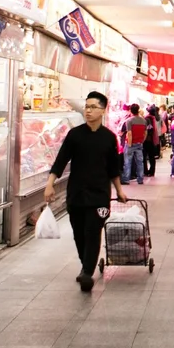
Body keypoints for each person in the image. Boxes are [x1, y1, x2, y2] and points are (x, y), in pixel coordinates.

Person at [46, 91, 128, 292]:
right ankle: (86, 265)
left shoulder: (109, 138)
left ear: (102, 110)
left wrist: (119, 190)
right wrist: (50, 184)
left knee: (93, 232)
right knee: (79, 234)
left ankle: (87, 273)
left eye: (93, 107)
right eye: (87, 106)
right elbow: (61, 160)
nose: (88, 110)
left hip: (100, 195)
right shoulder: (75, 135)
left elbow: (113, 169)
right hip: (76, 194)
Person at [121, 104, 148, 185]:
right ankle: (140, 179)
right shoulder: (143, 120)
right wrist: (142, 141)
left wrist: (129, 144)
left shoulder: (129, 121)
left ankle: (126, 179)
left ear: (130, 110)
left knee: (127, 162)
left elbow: (129, 133)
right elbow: (145, 132)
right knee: (140, 162)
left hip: (131, 144)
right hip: (139, 143)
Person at [144, 105, 162, 177]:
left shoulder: (147, 118)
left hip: (147, 140)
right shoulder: (157, 118)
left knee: (144, 156)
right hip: (154, 139)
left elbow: (148, 129)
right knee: (152, 157)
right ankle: (152, 172)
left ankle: (146, 171)